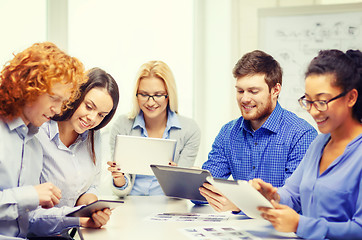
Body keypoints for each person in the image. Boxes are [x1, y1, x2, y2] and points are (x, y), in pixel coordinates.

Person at [251, 49, 362, 239]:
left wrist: (300, 224)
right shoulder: (319, 143)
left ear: (351, 97)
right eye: (308, 101)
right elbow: (294, 194)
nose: (313, 111)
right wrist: (273, 196)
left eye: (322, 101)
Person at [198, 50, 318, 210]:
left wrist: (240, 204)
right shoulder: (228, 133)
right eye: (240, 91)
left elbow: (296, 200)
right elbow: (205, 191)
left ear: (275, 90)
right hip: (239, 229)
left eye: (253, 91)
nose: (245, 99)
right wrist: (191, 181)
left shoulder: (302, 134)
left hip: (284, 231)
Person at [0, 42, 87, 239]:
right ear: (28, 88)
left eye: (63, 102)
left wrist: (77, 217)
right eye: (54, 98)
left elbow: (26, 220)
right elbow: (25, 200)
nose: (58, 110)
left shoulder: (33, 144)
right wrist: (30, 195)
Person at [107, 60, 200, 196]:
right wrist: (119, 178)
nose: (150, 102)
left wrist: (176, 178)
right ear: (136, 95)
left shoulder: (190, 130)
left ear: (169, 95)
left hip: (170, 207)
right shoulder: (121, 125)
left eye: (158, 95)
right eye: (144, 94)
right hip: (131, 205)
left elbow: (181, 192)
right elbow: (121, 190)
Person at [37, 68, 119, 214]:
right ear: (75, 96)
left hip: (66, 230)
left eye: (101, 115)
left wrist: (92, 208)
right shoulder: (39, 131)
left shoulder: (93, 135)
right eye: (89, 107)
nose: (92, 119)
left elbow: (90, 186)